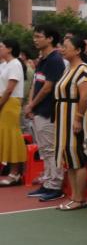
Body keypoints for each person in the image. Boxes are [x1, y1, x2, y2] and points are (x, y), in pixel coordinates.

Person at [52, 35, 87, 210]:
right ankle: (73, 196)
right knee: (69, 159)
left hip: (74, 116)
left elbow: (84, 97)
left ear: (77, 50)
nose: (62, 49)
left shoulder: (83, 69)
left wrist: (78, 118)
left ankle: (79, 198)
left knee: (77, 157)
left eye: (66, 46)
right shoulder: (68, 68)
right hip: (63, 116)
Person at [25, 25, 67, 202]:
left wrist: (32, 105)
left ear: (50, 39)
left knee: (51, 149)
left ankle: (55, 186)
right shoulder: (43, 59)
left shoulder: (55, 60)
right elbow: (37, 84)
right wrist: (31, 105)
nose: (35, 39)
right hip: (38, 110)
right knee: (44, 149)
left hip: (48, 111)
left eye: (39, 36)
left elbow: (48, 88)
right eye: (34, 36)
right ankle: (48, 182)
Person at [0, 39, 28, 186]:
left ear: (10, 49)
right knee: (5, 136)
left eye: (1, 46)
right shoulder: (5, 64)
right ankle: (11, 170)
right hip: (5, 101)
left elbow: (10, 89)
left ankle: (15, 172)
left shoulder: (15, 64)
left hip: (10, 102)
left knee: (12, 136)